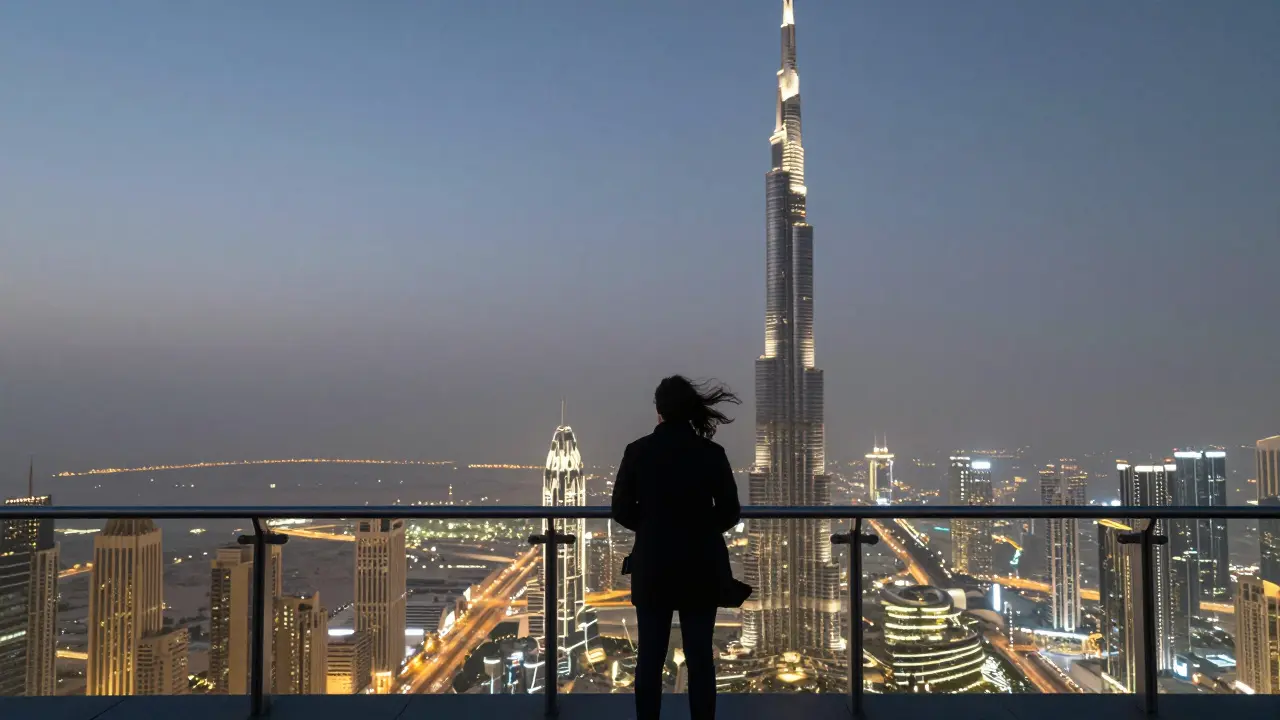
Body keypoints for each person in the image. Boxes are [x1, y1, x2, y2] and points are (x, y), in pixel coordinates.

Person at [611, 375, 742, 720]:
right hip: (701, 566)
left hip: (653, 566)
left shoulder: (637, 452)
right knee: (700, 657)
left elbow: (621, 509)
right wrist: (697, 528)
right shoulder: (712, 454)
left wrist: (656, 527)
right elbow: (730, 512)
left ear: (659, 411)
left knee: (650, 657)